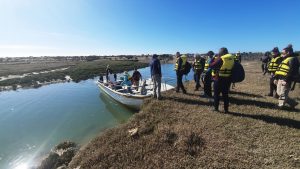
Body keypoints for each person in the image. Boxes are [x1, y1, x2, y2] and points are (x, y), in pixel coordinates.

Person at [209, 47, 235, 113]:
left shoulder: (222, 59)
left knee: (216, 95)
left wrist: (213, 58)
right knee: (225, 95)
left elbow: (211, 65)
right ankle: (226, 109)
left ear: (222, 52)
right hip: (227, 79)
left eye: (219, 52)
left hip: (219, 79)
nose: (218, 53)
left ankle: (216, 108)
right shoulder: (232, 58)